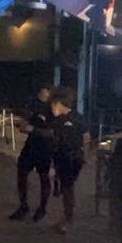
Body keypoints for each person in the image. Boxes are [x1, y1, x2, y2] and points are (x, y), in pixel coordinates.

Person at [9, 86, 56, 222]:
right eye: (40, 92)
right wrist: (27, 127)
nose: (41, 95)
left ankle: (42, 208)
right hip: (31, 145)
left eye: (44, 93)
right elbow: (25, 125)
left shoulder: (53, 110)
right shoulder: (33, 105)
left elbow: (51, 132)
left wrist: (33, 129)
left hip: (45, 148)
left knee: (44, 177)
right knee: (22, 172)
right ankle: (23, 206)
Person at [49, 87, 86, 234]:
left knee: (67, 188)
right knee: (68, 187)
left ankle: (68, 219)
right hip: (75, 157)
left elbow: (56, 141)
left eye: (53, 105)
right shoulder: (79, 117)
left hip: (67, 158)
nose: (52, 108)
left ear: (59, 104)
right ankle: (67, 218)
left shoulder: (61, 120)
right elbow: (86, 136)